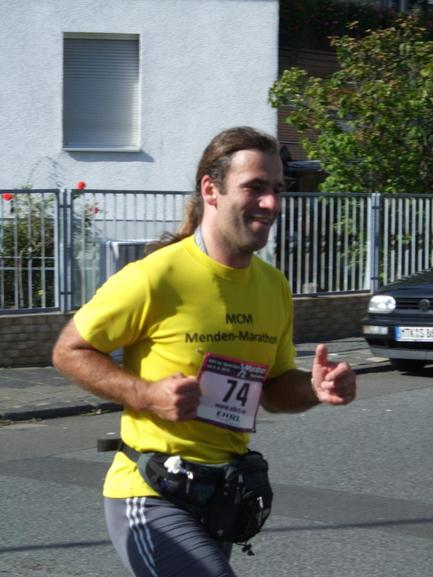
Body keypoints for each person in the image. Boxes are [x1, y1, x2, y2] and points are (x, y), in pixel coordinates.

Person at [52, 126, 356, 577]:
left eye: (277, 189)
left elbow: (273, 389)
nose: (271, 203)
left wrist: (314, 387)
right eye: (255, 187)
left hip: (221, 496)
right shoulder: (156, 276)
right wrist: (146, 394)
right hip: (150, 492)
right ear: (211, 190)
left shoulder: (273, 286)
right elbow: (69, 350)